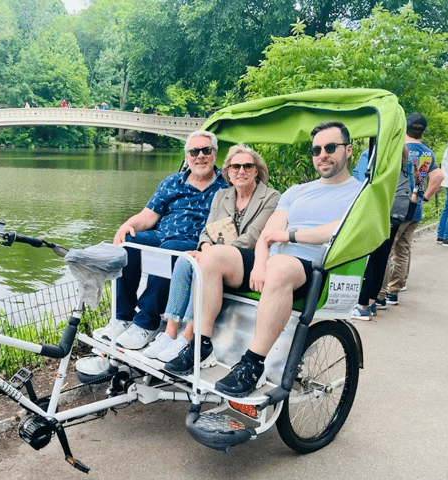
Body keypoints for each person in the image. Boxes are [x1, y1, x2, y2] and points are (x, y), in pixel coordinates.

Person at [164, 121, 363, 397]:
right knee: (212, 257)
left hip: (315, 265)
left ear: (348, 150)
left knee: (280, 265)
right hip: (273, 258)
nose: (322, 155)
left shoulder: (360, 193)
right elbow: (268, 235)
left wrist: (290, 236)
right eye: (316, 149)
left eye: (330, 148)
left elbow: (339, 229)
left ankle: (252, 364)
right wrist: (259, 264)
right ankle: (201, 345)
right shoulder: (296, 192)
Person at [76, 131, 227, 381]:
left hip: (195, 241)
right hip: (163, 233)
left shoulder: (225, 184)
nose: (200, 156)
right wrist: (126, 226)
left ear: (214, 153)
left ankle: (147, 323)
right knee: (129, 244)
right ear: (187, 156)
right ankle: (123, 318)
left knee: (170, 249)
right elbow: (148, 217)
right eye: (194, 152)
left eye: (206, 150)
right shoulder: (172, 182)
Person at [142, 144, 280, 362]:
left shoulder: (271, 197)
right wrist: (205, 248)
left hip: (248, 257)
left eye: (247, 166)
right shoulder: (222, 195)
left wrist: (212, 253)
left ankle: (188, 336)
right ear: (228, 171)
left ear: (256, 170)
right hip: (217, 253)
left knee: (205, 264)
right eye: (235, 166)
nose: (241, 171)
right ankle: (170, 331)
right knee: (185, 259)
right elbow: (208, 230)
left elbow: (253, 236)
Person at [376, 113, 444, 306]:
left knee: (386, 251)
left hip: (397, 208)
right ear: (423, 130)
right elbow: (438, 176)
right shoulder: (427, 153)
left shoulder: (399, 149)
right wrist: (425, 198)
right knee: (403, 250)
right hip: (415, 208)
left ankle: (379, 294)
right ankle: (394, 292)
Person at [351, 146, 411, 320]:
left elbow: (359, 179)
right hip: (396, 213)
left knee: (367, 257)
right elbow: (412, 184)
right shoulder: (403, 152)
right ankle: (371, 303)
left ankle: (362, 306)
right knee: (381, 257)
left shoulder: (371, 152)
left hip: (375, 210)